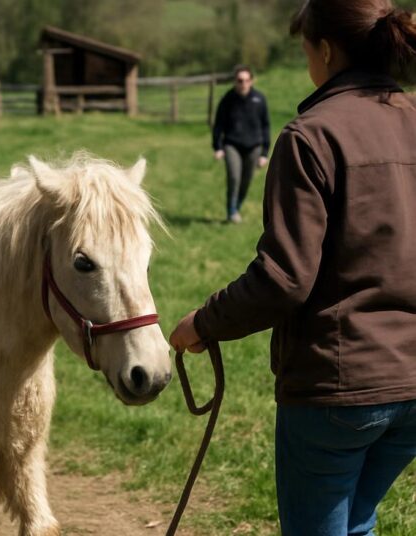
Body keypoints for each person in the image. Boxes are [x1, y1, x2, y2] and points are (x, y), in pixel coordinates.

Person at [171, 1, 416, 534]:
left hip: (340, 385)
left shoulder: (312, 136)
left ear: (326, 50)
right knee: (356, 523)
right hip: (412, 385)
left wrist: (202, 323)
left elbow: (283, 278)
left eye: (307, 49)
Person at [212, 65, 270, 223]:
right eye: (239, 80)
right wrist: (217, 147)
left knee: (246, 180)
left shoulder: (259, 99)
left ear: (251, 81)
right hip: (232, 145)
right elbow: (218, 124)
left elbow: (266, 126)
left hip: (254, 146)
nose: (243, 83)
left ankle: (236, 206)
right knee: (234, 177)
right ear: (235, 81)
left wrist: (264, 153)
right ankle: (231, 212)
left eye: (246, 80)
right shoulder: (227, 99)